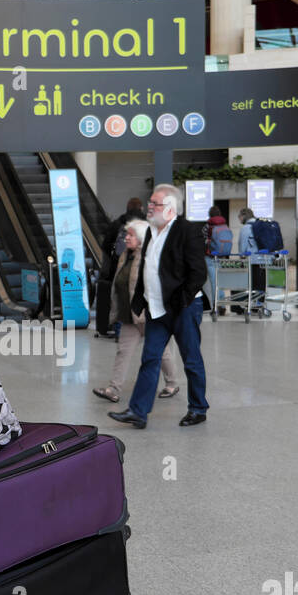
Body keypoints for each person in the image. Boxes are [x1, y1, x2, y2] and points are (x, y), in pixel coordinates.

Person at [109, 184, 210, 429]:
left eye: (156, 203)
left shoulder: (188, 231)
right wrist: (140, 298)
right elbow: (148, 267)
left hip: (183, 308)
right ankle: (138, 412)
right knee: (150, 358)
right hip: (157, 309)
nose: (150, 207)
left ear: (171, 209)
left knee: (191, 359)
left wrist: (182, 300)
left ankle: (198, 408)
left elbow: (199, 272)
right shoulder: (153, 231)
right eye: (150, 202)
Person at [92, 218, 182, 404]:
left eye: (131, 235)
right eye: (126, 234)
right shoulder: (125, 255)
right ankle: (113, 389)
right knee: (123, 352)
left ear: (141, 238)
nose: (126, 238)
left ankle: (172, 383)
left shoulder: (149, 257)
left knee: (162, 351)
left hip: (148, 315)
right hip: (129, 315)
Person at [96, 198, 143, 337]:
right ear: (141, 209)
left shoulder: (118, 223)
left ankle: (119, 330)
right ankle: (142, 328)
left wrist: (108, 268)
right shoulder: (147, 223)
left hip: (121, 266)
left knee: (120, 298)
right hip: (140, 267)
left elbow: (105, 246)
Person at [204, 204, 229, 312]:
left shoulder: (208, 226)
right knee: (220, 281)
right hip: (222, 256)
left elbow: (203, 241)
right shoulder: (225, 226)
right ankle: (222, 306)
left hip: (210, 256)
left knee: (214, 282)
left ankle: (216, 306)